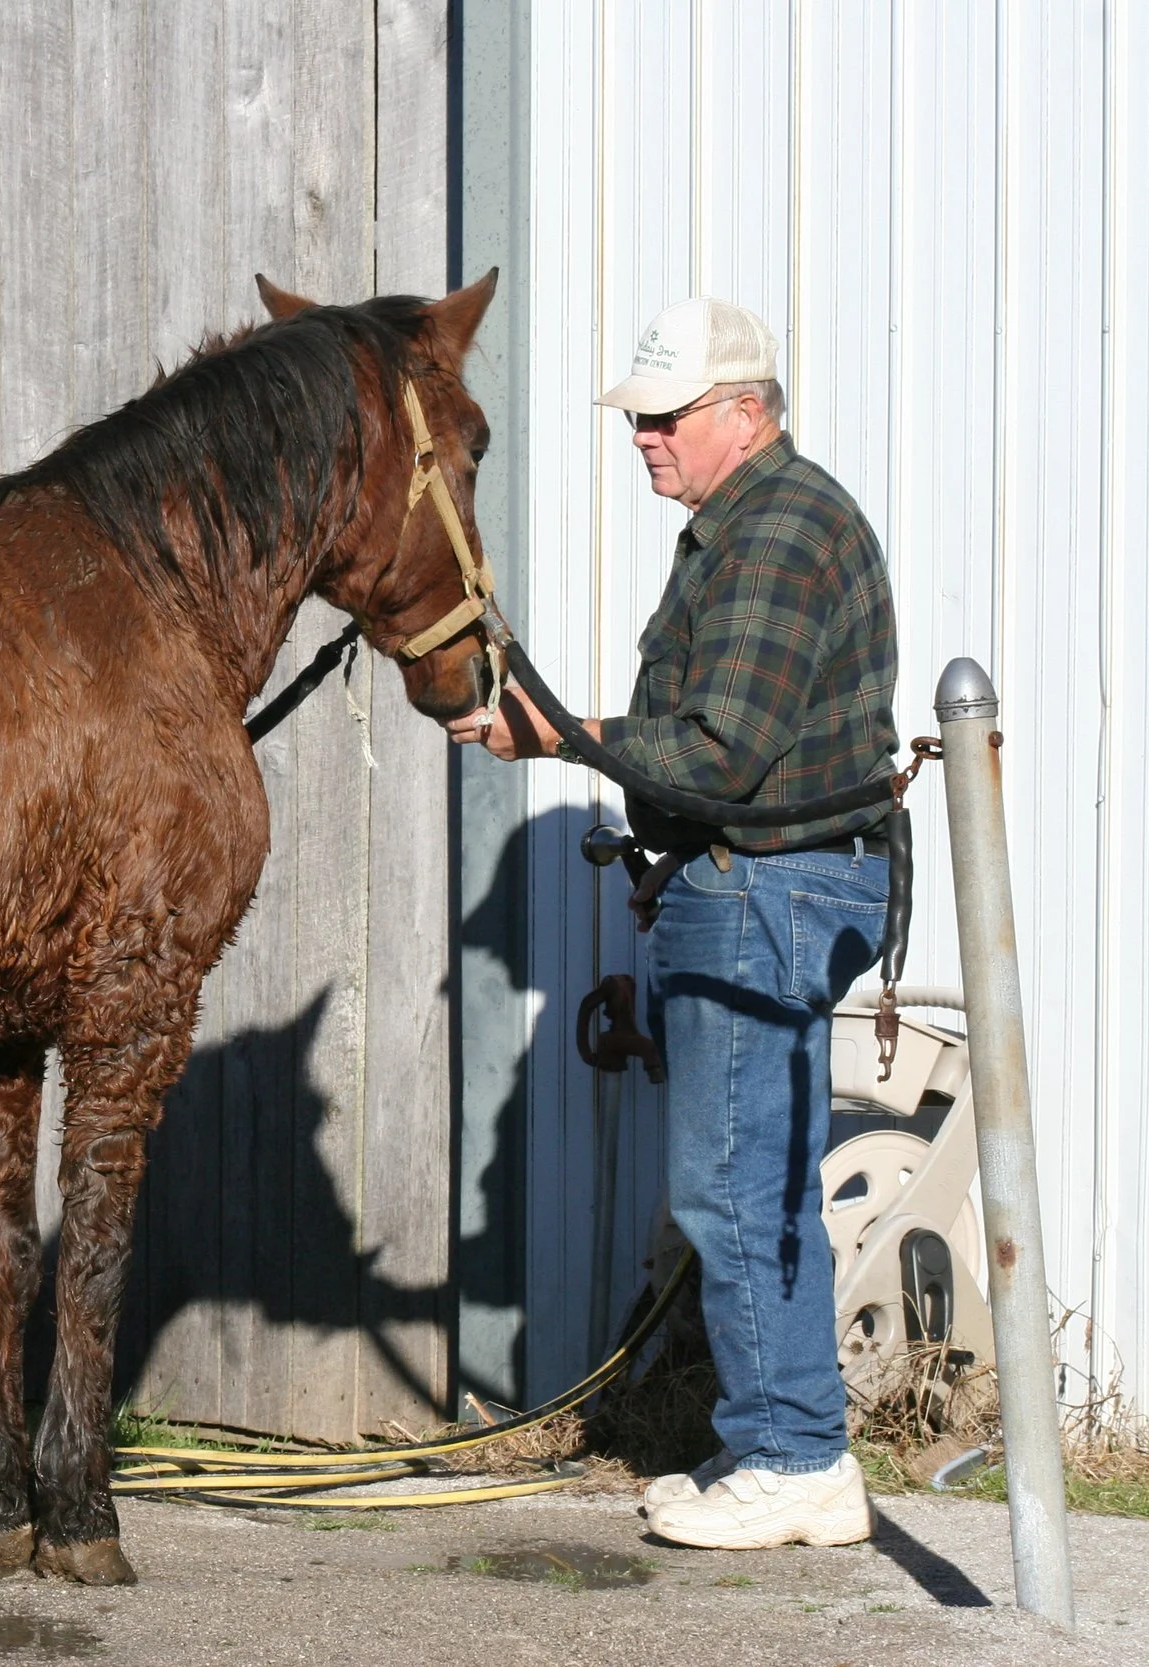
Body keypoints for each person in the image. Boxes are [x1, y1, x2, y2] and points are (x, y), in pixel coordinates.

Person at [457, 299, 897, 1550]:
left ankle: (794, 1454)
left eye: (663, 417)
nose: (641, 437)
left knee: (730, 1182)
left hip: (765, 884)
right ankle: (785, 1442)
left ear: (742, 412)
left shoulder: (774, 531)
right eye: (636, 418)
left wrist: (552, 732)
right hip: (762, 882)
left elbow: (722, 752)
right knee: (759, 1180)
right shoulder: (741, 526)